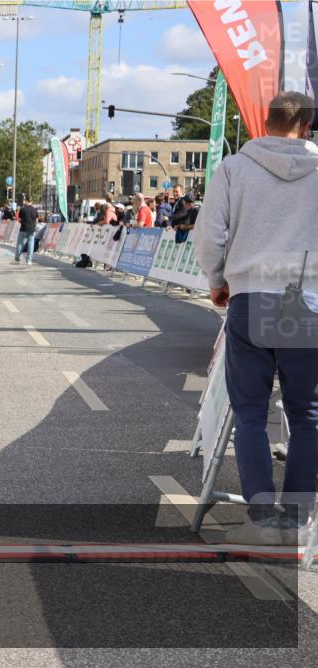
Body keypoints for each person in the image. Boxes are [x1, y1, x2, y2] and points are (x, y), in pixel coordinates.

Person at [196, 91, 318, 546]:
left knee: (249, 414)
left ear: (262, 124)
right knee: (307, 416)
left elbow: (210, 232)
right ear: (306, 127)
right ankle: (300, 520)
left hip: (250, 294)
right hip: (306, 299)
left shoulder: (234, 168)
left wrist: (217, 279)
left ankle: (262, 518)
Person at [14, 197, 38, 265]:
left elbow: (19, 219)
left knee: (20, 243)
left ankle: (17, 258)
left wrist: (21, 222)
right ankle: (29, 260)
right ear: (32, 202)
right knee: (31, 244)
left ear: (26, 201)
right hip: (31, 229)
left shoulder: (23, 209)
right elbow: (36, 220)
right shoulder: (34, 210)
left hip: (23, 228)